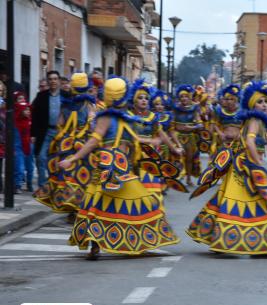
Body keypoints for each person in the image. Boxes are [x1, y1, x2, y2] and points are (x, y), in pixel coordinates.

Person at [57, 76, 180, 260]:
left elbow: (133, 140)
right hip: (116, 167)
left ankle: (108, 244)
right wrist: (73, 158)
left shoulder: (121, 118)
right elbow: (93, 142)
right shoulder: (111, 118)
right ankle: (106, 244)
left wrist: (153, 141)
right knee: (134, 204)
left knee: (100, 206)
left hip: (114, 167)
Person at [187, 80, 267, 256]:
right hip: (244, 167)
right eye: (260, 101)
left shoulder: (255, 119)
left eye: (265, 101)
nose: (264, 105)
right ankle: (251, 244)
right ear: (252, 103)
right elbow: (249, 142)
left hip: (243, 166)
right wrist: (258, 162)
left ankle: (256, 244)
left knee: (242, 200)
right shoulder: (254, 119)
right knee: (247, 201)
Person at [34, 72, 96, 213]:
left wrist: (61, 138)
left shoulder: (67, 105)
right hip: (83, 145)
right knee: (85, 177)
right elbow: (93, 125)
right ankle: (79, 207)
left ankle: (70, 206)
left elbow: (59, 124)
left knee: (67, 175)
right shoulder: (89, 105)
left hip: (66, 144)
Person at [127, 79, 184, 207]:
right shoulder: (128, 116)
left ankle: (152, 213)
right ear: (134, 100)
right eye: (140, 98)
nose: (143, 100)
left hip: (149, 156)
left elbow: (162, 135)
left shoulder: (152, 117)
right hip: (132, 154)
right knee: (133, 188)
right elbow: (130, 136)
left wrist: (175, 149)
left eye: (146, 98)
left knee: (151, 187)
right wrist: (150, 140)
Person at [31, 70, 68, 187]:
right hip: (45, 131)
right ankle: (43, 184)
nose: (53, 81)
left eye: (55, 79)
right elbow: (35, 116)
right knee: (41, 157)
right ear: (48, 81)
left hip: (61, 132)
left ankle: (59, 183)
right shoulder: (41, 96)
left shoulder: (66, 96)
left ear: (59, 81)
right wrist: (33, 134)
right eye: (51, 79)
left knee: (61, 158)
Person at [172, 84, 202, 186]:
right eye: (182, 97)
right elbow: (171, 124)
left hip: (189, 137)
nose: (184, 98)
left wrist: (192, 128)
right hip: (177, 136)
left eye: (186, 96)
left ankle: (188, 178)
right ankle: (176, 177)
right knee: (177, 158)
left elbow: (200, 124)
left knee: (189, 159)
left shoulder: (194, 109)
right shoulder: (175, 108)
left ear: (190, 97)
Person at [211, 84, 242, 152]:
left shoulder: (242, 112)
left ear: (236, 100)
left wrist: (240, 134)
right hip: (224, 142)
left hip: (238, 143)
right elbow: (214, 124)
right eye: (227, 99)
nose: (229, 101)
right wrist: (220, 133)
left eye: (232, 99)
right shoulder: (219, 111)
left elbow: (246, 125)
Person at [14, 92, 34, 192]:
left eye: (23, 99)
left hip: (29, 145)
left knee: (30, 167)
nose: (22, 101)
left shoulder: (29, 118)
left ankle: (29, 184)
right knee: (19, 166)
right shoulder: (15, 115)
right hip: (19, 146)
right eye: (19, 99)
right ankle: (17, 185)